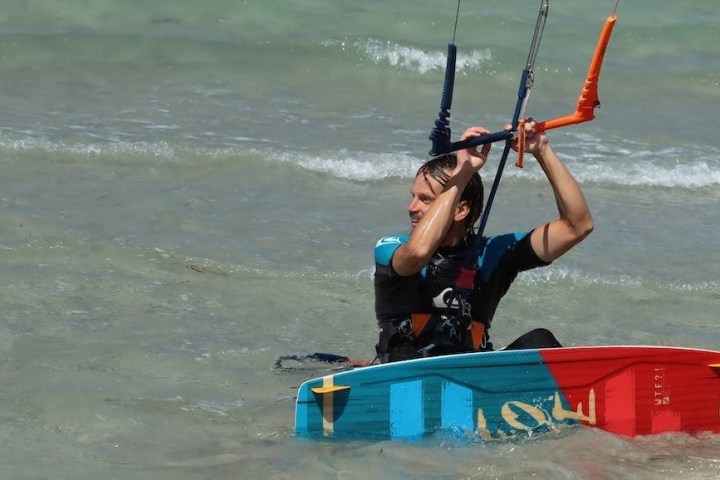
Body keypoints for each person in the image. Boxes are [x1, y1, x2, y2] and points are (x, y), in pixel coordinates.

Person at [373, 120, 593, 363]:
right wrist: (464, 170)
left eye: (425, 199)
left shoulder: (491, 254)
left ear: (460, 210)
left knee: (540, 340)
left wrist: (542, 149)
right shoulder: (391, 247)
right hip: (404, 374)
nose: (411, 207)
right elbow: (417, 253)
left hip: (474, 381)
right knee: (407, 355)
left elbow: (577, 226)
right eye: (413, 197)